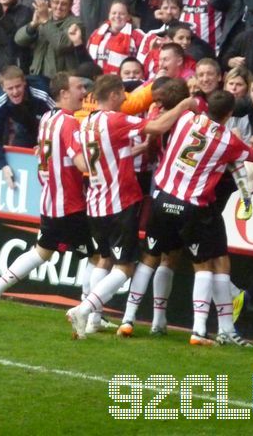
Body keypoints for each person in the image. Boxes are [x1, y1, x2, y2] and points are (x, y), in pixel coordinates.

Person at [66, 74, 198, 339]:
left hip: (95, 203)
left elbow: (110, 156)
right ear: (113, 94)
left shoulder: (88, 122)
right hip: (118, 203)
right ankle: (84, 309)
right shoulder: (116, 119)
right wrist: (184, 106)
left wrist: (140, 149)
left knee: (103, 259)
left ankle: (93, 320)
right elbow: (159, 126)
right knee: (125, 267)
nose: (126, 98)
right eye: (122, 94)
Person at [146, 90, 253, 346]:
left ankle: (143, 320)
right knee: (208, 264)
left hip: (163, 196)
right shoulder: (228, 140)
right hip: (197, 205)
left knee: (161, 258)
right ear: (229, 114)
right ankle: (202, 330)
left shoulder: (186, 119)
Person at [0, 72, 90, 318]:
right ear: (63, 93)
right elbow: (82, 165)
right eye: (79, 87)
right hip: (70, 205)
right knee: (98, 256)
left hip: (50, 202)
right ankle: (90, 313)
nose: (83, 92)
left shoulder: (48, 118)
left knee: (42, 251)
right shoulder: (69, 122)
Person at [0, 65, 55, 189]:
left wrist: (45, 143)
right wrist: (2, 164)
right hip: (24, 126)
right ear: (3, 88)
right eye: (10, 88)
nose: (15, 92)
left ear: (24, 83)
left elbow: (60, 119)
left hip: (48, 128)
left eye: (18, 86)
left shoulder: (42, 94)